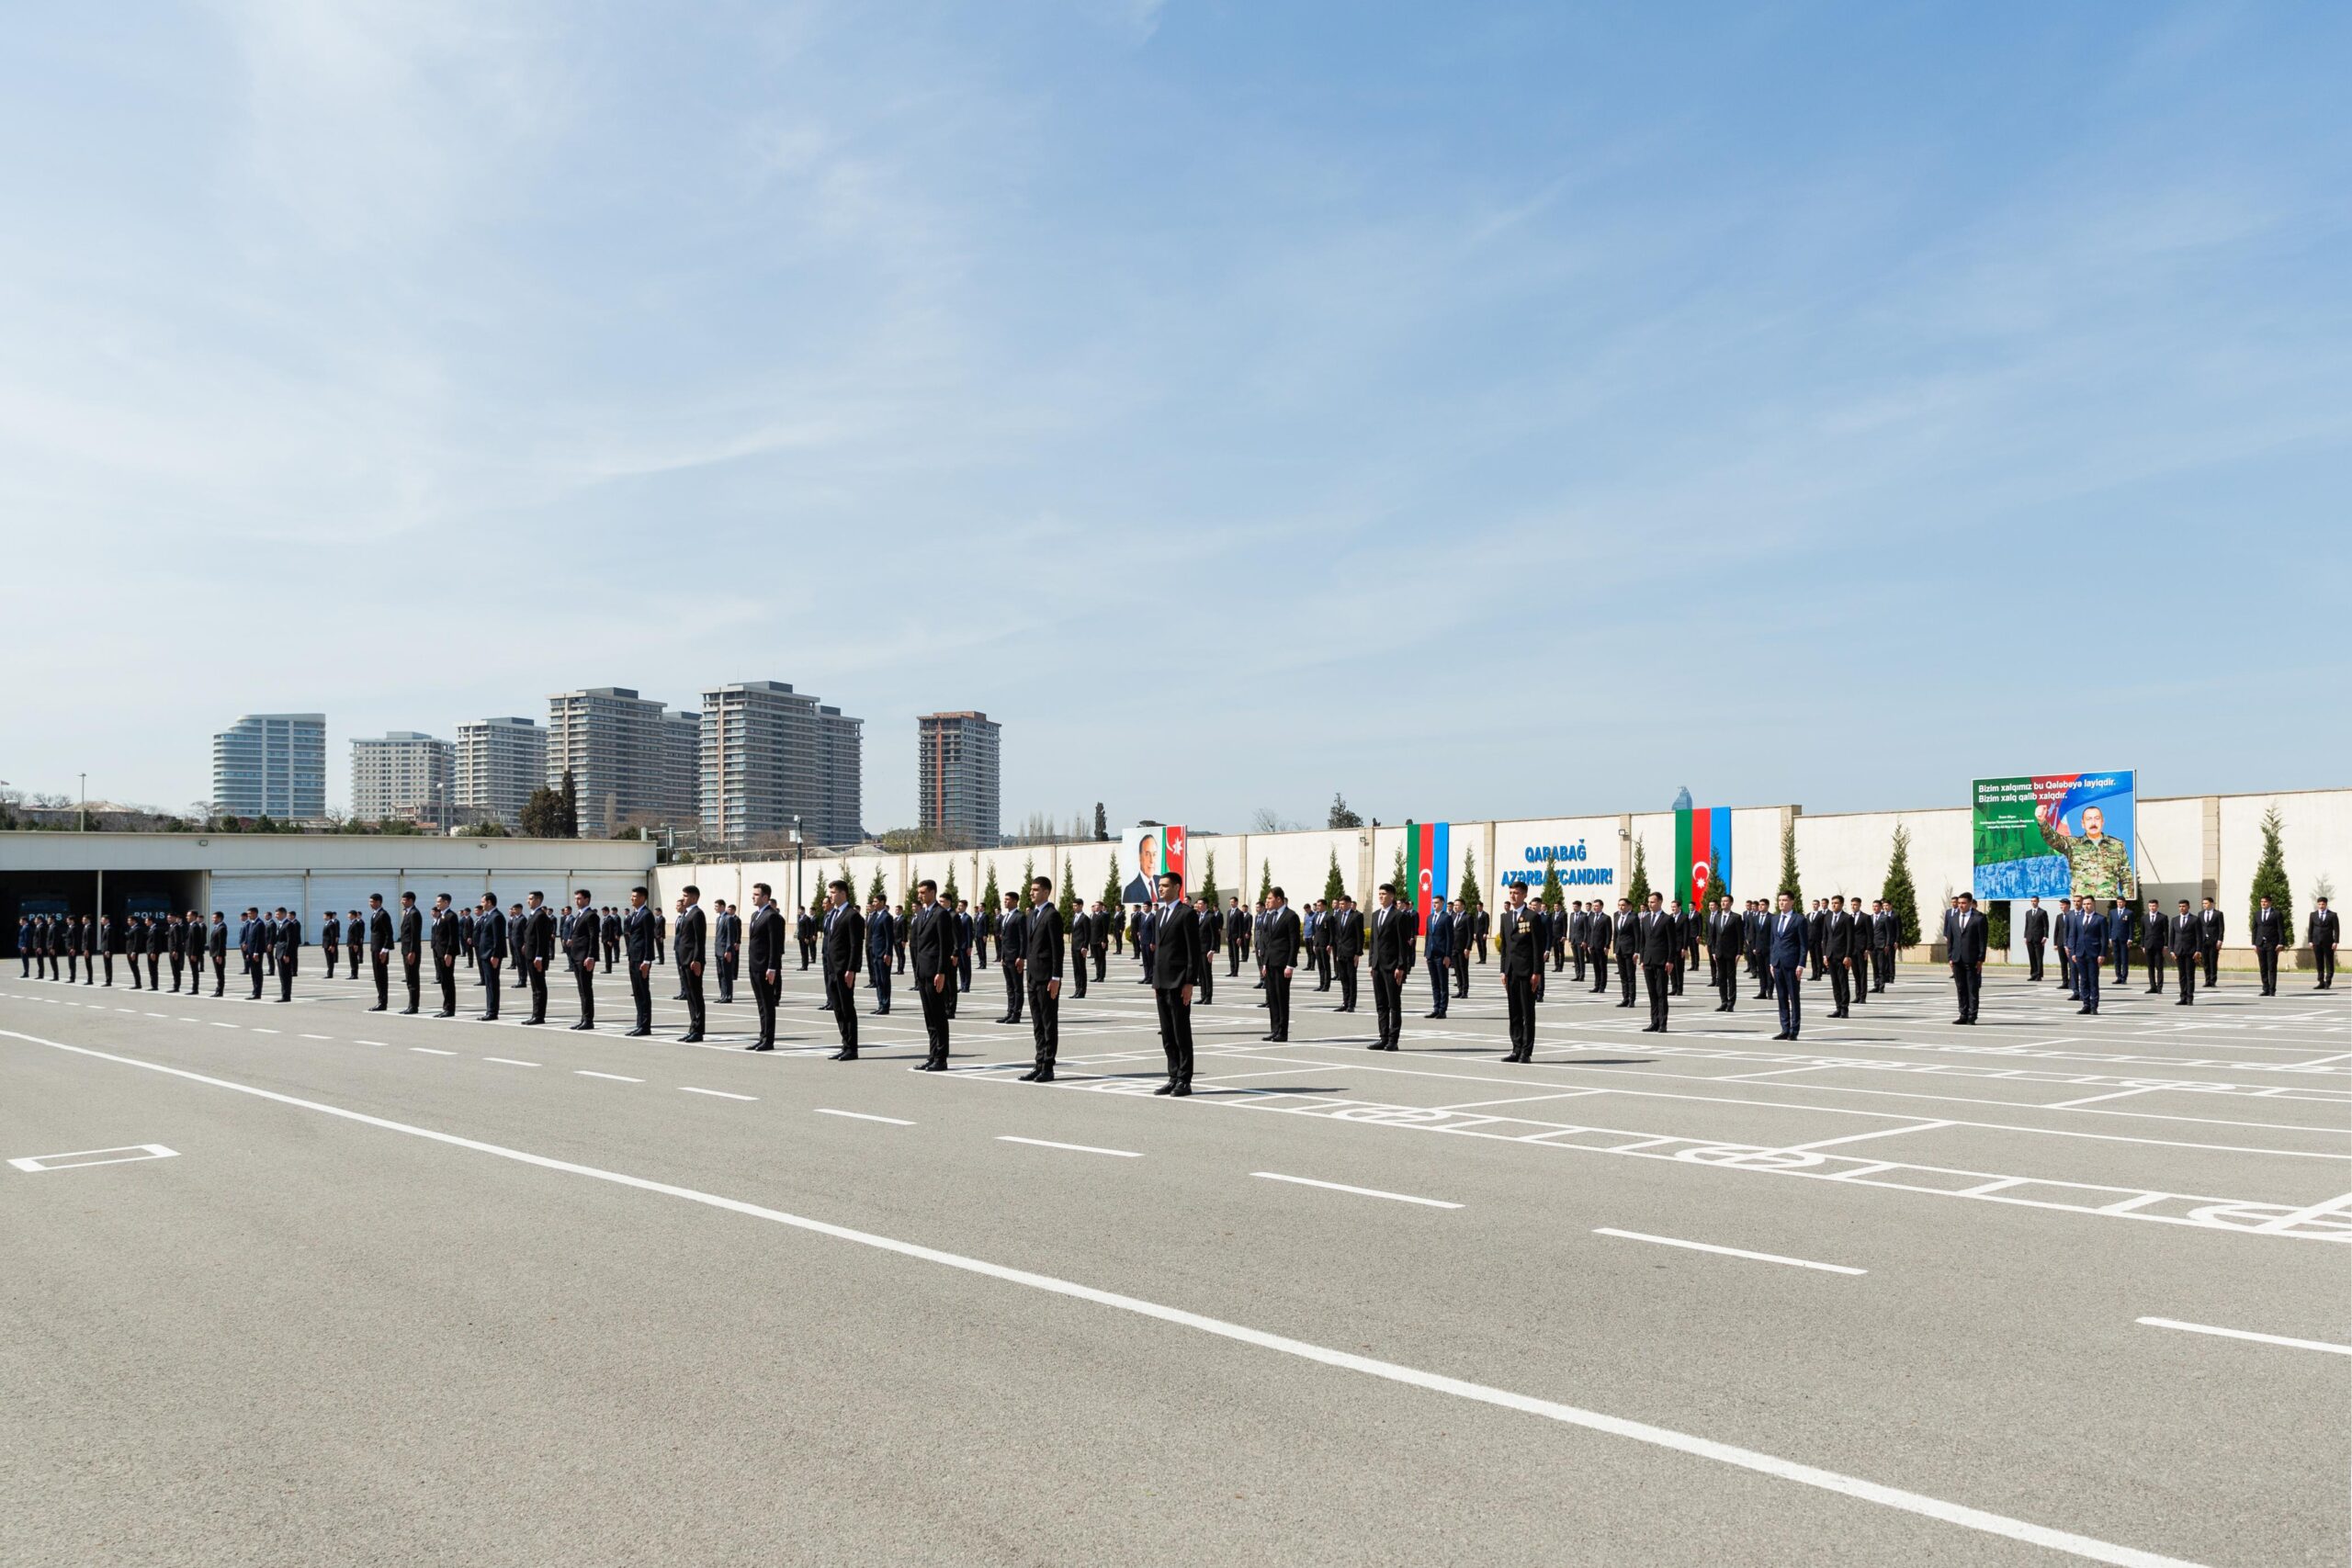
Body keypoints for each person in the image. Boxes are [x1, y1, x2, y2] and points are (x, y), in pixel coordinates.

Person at [1148, 872, 1200, 1095]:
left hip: (1179, 983)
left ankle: (1184, 1079)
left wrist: (1189, 982)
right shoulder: (1159, 914)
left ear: (1177, 887)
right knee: (1167, 1033)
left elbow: (1193, 951)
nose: (1161, 889)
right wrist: (1155, 981)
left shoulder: (1186, 914)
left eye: (1165, 885)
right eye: (1159, 885)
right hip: (1162, 983)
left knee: (1181, 1033)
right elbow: (1159, 951)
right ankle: (1172, 1075)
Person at [2038, 802, 2136, 901]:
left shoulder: (2117, 845)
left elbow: (2127, 879)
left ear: (2103, 822)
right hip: (2081, 906)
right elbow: (2053, 839)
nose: (2093, 823)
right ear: (2082, 824)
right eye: (2089, 819)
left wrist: (2126, 905)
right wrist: (2042, 821)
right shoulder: (2072, 844)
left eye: (2097, 818)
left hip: (2108, 905)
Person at [906, 880, 955, 1071]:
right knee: (929, 1017)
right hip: (923, 971)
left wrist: (941, 972)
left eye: (923, 892)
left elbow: (945, 945)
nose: (920, 895)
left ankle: (941, 1058)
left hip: (935, 971)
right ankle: (932, 1054)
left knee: (938, 1016)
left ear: (933, 892)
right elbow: (917, 944)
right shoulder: (921, 914)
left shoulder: (940, 914)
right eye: (919, 892)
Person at [1020, 876, 1064, 1081]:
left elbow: (1058, 949)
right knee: (1037, 1022)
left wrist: (1056, 977)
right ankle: (1038, 1063)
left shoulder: (1052, 915)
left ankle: (1048, 1065)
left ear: (1046, 892)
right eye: (1031, 889)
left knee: (1048, 1022)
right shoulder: (1031, 916)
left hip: (1047, 978)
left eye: (1036, 889)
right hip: (1032, 976)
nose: (1032, 893)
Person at [1497, 881, 1544, 1062]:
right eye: (1511, 892)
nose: (1513, 895)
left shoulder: (1532, 917)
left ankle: (1526, 1051)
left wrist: (1537, 972)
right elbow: (1505, 948)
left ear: (1524, 895)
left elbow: (1536, 947)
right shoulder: (1505, 917)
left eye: (1516, 892)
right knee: (1514, 1012)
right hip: (1511, 972)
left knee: (1527, 1012)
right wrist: (1503, 970)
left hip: (1527, 971)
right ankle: (1516, 1048)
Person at [1367, 884, 1413, 1049]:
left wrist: (1401, 967)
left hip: (1392, 966)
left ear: (1392, 896)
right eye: (1379, 894)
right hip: (1378, 966)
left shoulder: (1399, 916)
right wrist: (1371, 962)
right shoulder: (1375, 915)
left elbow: (1403, 944)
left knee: (1394, 1004)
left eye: (1384, 894)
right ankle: (1383, 1037)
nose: (1381, 896)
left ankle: (1393, 1040)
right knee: (1380, 1004)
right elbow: (1373, 941)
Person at [821, 880, 863, 1060]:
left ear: (843, 893)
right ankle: (844, 1044)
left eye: (834, 892)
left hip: (844, 969)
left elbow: (855, 945)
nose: (831, 895)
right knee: (837, 1008)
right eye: (830, 892)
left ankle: (852, 1047)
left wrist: (851, 969)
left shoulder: (852, 915)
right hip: (832, 968)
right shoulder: (833, 915)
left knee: (847, 1008)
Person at [1258, 887, 1300, 1043]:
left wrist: (1290, 965)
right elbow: (1267, 942)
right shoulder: (1269, 917)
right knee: (1272, 998)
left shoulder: (1291, 916)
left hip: (1283, 964)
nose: (1267, 901)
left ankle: (1283, 1032)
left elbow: (1294, 943)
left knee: (1282, 998)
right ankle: (1274, 1029)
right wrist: (1264, 963)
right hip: (1270, 963)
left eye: (1270, 898)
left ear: (1279, 899)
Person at [745, 883, 784, 1050]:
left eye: (756, 894)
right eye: (753, 894)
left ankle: (769, 1039)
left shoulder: (771, 916)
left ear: (765, 897)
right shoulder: (755, 915)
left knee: (768, 1004)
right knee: (760, 1004)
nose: (753, 897)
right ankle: (762, 1036)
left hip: (765, 967)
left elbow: (775, 945)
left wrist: (772, 967)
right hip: (754, 965)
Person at [1769, 892, 1806, 1039]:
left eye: (1785, 900)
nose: (1781, 903)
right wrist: (1772, 962)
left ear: (1792, 902)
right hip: (1777, 963)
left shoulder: (1799, 920)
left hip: (1792, 964)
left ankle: (1794, 1030)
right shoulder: (1775, 919)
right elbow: (1773, 942)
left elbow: (1804, 945)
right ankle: (1785, 1028)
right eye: (1779, 900)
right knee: (1781, 996)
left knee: (1793, 997)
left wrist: (1801, 964)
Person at [1947, 892, 1988, 1024]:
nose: (1961, 906)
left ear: (1970, 903)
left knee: (1972, 988)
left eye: (1963, 903)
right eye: (1959, 903)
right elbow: (1950, 940)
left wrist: (1981, 959)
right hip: (1957, 958)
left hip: (1972, 959)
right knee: (1960, 988)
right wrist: (1950, 957)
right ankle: (1963, 1014)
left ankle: (1972, 1016)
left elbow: (1983, 940)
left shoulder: (1979, 918)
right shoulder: (1953, 918)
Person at [1638, 891, 1676, 1032]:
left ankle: (1662, 1023)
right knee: (1652, 993)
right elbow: (1643, 941)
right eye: (1649, 902)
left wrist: (1670, 960)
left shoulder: (1667, 919)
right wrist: (1642, 959)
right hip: (1648, 960)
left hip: (1662, 961)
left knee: (1661, 993)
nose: (1650, 904)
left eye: (1652, 902)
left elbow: (1672, 943)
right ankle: (1653, 1022)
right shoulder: (1645, 919)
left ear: (1660, 902)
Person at [622, 887, 658, 1036]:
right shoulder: (635, 914)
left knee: (643, 992)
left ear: (643, 898)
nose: (632, 899)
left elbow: (649, 939)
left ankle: (645, 1026)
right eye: (631, 896)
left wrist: (647, 960)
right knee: (637, 992)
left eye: (635, 897)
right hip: (633, 957)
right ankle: (639, 1024)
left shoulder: (647, 915)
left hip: (641, 959)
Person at [565, 891, 600, 1030]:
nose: (576, 901)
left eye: (579, 899)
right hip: (576, 956)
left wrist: (591, 956)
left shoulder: (591, 915)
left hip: (584, 957)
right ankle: (583, 1018)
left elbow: (593, 937)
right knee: (581, 989)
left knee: (586, 989)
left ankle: (588, 1020)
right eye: (575, 899)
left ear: (587, 899)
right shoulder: (579, 915)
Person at [519, 892, 556, 1024]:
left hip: (536, 957)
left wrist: (539, 957)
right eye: (528, 898)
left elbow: (542, 939)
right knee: (535, 987)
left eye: (531, 899)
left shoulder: (540, 916)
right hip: (530, 954)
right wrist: (525, 944)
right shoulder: (534, 914)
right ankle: (536, 1014)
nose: (528, 901)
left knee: (539, 987)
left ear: (538, 900)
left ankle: (539, 1016)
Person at [2067, 895, 2106, 1014]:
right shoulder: (2078, 919)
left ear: (2093, 904)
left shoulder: (2100, 919)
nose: (2086, 906)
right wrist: (2073, 952)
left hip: (2094, 953)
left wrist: (2102, 954)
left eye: (2088, 904)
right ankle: (2086, 1005)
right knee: (2083, 980)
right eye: (2084, 904)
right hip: (2080, 953)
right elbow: (2073, 935)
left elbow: (2104, 938)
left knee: (2093, 980)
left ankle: (2094, 1006)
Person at [995, 891, 1026, 1024]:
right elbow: (1004, 939)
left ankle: (1016, 1013)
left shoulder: (1020, 917)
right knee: (1009, 986)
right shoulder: (1005, 917)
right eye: (1005, 899)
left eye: (1008, 899)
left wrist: (1021, 956)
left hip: (1015, 957)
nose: (1005, 901)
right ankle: (1009, 1012)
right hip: (1006, 957)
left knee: (1017, 986)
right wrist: (1002, 956)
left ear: (1015, 901)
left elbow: (1023, 939)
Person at [1329, 894, 1364, 1013]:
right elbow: (1337, 935)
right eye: (1340, 904)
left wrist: (1358, 953)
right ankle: (1345, 1002)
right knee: (1343, 978)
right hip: (1340, 952)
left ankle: (1351, 1004)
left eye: (1343, 904)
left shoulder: (1357, 916)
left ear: (1349, 904)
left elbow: (1360, 936)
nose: (1341, 906)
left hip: (1351, 952)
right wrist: (1336, 951)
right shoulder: (1338, 916)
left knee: (1351, 978)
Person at [475, 894, 506, 1021]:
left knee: (492, 984)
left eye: (483, 901)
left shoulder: (497, 917)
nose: (481, 904)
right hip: (485, 954)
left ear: (489, 902)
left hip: (491, 955)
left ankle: (492, 1012)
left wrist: (495, 955)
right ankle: (490, 1010)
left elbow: (498, 938)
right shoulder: (488, 916)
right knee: (489, 984)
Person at [1708, 896, 1742, 1012]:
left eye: (1726, 901)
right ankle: (1724, 1002)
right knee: (1721, 978)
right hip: (1719, 952)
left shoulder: (1736, 917)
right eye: (1722, 901)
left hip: (1731, 953)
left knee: (1731, 979)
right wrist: (1713, 951)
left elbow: (1740, 936)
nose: (1723, 903)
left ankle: (1731, 1003)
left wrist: (1739, 952)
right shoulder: (1717, 917)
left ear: (1731, 903)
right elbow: (1713, 936)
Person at [1422, 897, 1454, 1020]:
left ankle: (1442, 1009)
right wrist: (1426, 953)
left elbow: (1449, 938)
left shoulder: (1446, 918)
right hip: (1431, 955)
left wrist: (1447, 955)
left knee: (1443, 983)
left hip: (1441, 956)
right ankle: (1436, 1008)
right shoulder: (1430, 918)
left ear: (1442, 903)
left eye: (1436, 903)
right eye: (1433, 903)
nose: (1434, 905)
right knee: (1434, 983)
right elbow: (1428, 936)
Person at [431, 894, 461, 1017]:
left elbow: (453, 937)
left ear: (447, 902)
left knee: (448, 980)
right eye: (437, 901)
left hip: (446, 954)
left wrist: (449, 953)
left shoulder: (451, 916)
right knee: (443, 980)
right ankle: (446, 1007)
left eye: (439, 901)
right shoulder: (441, 915)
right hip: (439, 952)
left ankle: (449, 1008)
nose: (437, 903)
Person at [394, 892, 424, 1015]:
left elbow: (415, 935)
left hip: (411, 951)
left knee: (412, 978)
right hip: (406, 950)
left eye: (405, 900)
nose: (402, 902)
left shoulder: (414, 914)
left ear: (411, 900)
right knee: (409, 978)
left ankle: (413, 1006)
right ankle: (411, 1004)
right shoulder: (407, 913)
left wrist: (412, 951)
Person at [2251, 894, 2287, 996]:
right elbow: (2254, 929)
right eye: (2262, 902)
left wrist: (2281, 943)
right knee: (2263, 967)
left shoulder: (2276, 914)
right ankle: (2265, 988)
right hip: (2260, 944)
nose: (2263, 903)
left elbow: (2280, 929)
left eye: (2265, 902)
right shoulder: (2257, 914)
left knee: (2271, 967)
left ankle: (2272, 989)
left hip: (2272, 944)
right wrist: (2254, 943)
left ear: (2270, 903)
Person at [865, 894, 896, 1016]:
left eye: (876, 901)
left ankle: (885, 1005)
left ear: (883, 902)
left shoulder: (886, 917)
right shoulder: (875, 916)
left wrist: (888, 953)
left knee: (884, 980)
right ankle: (880, 1004)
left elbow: (889, 937)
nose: (874, 904)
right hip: (875, 953)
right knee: (878, 980)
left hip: (883, 954)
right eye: (873, 901)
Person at [2168, 898, 2200, 1004]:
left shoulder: (2195, 920)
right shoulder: (2175, 920)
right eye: (2180, 906)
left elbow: (2198, 937)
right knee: (2181, 975)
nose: (2182, 908)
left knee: (2190, 975)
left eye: (2184, 906)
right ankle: (2183, 997)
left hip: (2191, 951)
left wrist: (2198, 950)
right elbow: (2172, 936)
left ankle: (2190, 998)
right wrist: (2171, 950)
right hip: (2178, 951)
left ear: (2188, 907)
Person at [1611, 897, 1638, 1009]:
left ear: (1628, 906)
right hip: (1619, 950)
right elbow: (1616, 935)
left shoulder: (1633, 918)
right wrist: (1614, 951)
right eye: (1619, 905)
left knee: (1630, 976)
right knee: (1623, 976)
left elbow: (1637, 936)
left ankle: (1632, 999)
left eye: (1623, 905)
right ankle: (1625, 998)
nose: (1621, 907)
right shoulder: (1616, 917)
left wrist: (1637, 952)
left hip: (1630, 951)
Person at [271, 905, 301, 1002]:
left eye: (278, 914)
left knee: (286, 976)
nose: (276, 916)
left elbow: (290, 941)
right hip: (279, 952)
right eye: (275, 914)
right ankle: (284, 995)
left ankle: (286, 996)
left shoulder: (289, 924)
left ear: (284, 914)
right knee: (282, 975)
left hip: (284, 953)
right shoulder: (280, 924)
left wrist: (287, 954)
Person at [712, 898, 740, 1006]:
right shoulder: (718, 918)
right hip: (718, 950)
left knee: (727, 974)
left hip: (725, 951)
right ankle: (723, 995)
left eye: (716, 906)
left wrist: (728, 950)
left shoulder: (729, 919)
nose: (715, 908)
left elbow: (730, 936)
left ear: (723, 906)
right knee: (720, 974)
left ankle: (728, 996)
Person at [2141, 898, 2170, 994]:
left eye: (2154, 906)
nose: (2152, 908)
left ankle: (2159, 987)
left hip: (2159, 945)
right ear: (2148, 906)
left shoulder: (2163, 917)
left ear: (2157, 906)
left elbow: (2166, 932)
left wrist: (2165, 945)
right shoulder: (2144, 918)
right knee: (2150, 967)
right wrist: (2143, 945)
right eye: (2150, 906)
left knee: (2159, 967)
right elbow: (2142, 933)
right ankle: (2152, 987)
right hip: (2148, 945)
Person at [1193, 895, 1218, 1006]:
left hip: (1206, 950)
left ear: (1205, 905)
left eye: (1200, 904)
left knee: (1207, 974)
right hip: (1198, 949)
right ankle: (1202, 996)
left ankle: (1209, 997)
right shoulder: (1198, 916)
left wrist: (1212, 949)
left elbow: (1215, 935)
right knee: (1201, 974)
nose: (1198, 905)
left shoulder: (1210, 916)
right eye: (1197, 903)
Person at [2311, 897, 2338, 990]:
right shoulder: (2313, 915)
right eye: (2319, 904)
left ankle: (2328, 981)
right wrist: (2310, 941)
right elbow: (2311, 929)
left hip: (2329, 942)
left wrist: (2336, 942)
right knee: (2319, 962)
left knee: (2329, 962)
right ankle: (2321, 982)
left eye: (2323, 904)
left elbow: (2336, 929)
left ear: (2326, 904)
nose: (2321, 906)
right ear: (2317, 904)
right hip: (2316, 942)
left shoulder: (2333, 915)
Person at [2021, 897, 2050, 981]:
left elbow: (2046, 926)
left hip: (2039, 938)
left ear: (2038, 902)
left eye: (2035, 901)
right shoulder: (2028, 913)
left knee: (2039, 957)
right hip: (2029, 938)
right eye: (2032, 901)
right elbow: (2026, 926)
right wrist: (2025, 936)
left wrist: (2045, 936)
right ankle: (2033, 974)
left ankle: (2039, 974)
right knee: (2031, 956)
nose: (2033, 902)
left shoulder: (2042, 912)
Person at [1068, 901, 1091, 1000]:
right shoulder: (1075, 917)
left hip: (1081, 947)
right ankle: (1077, 989)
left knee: (1081, 969)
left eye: (1076, 905)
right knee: (1076, 970)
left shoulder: (1084, 918)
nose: (1074, 907)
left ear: (1081, 906)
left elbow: (1087, 933)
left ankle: (1082, 991)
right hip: (1074, 947)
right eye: (1073, 905)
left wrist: (1085, 946)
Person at [2106, 899, 2132, 987]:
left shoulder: (2129, 912)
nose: (2119, 904)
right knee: (2116, 959)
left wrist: (2130, 938)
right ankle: (2118, 977)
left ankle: (2124, 978)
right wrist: (2109, 937)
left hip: (2124, 939)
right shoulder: (2112, 912)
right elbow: (2110, 925)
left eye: (2121, 902)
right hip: (2114, 938)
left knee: (2124, 959)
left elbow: (2130, 927)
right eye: (2118, 902)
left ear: (2124, 903)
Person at [2199, 897, 2224, 987]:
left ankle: (2213, 980)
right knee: (2205, 961)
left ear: (2212, 904)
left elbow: (2221, 928)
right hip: (2203, 941)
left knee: (2213, 961)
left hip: (2214, 941)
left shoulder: (2218, 914)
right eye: (2203, 903)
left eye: (2206, 903)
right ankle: (2207, 980)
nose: (2204, 905)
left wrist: (2220, 940)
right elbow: (2199, 928)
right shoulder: (2201, 914)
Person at [1226, 897, 1249, 977]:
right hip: (1230, 937)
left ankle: (1235, 971)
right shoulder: (1228, 912)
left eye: (1232, 902)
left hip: (1236, 937)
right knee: (1230, 954)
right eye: (1230, 902)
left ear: (1236, 903)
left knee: (1235, 954)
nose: (1231, 903)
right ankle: (1231, 971)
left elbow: (1241, 926)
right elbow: (1228, 925)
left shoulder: (1239, 913)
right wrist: (1227, 935)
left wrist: (1240, 937)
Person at [207, 911, 228, 997]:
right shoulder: (217, 927)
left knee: (220, 973)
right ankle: (218, 990)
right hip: (215, 953)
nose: (213, 919)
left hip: (218, 954)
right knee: (218, 973)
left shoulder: (222, 928)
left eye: (214, 918)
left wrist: (219, 955)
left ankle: (219, 991)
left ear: (219, 918)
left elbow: (221, 943)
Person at [347, 910, 366, 986]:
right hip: (351, 944)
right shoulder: (352, 922)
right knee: (352, 959)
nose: (348, 916)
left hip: (353, 944)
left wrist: (355, 944)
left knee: (354, 959)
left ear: (353, 915)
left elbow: (357, 935)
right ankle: (353, 974)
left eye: (349, 914)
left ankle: (355, 974)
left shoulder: (356, 923)